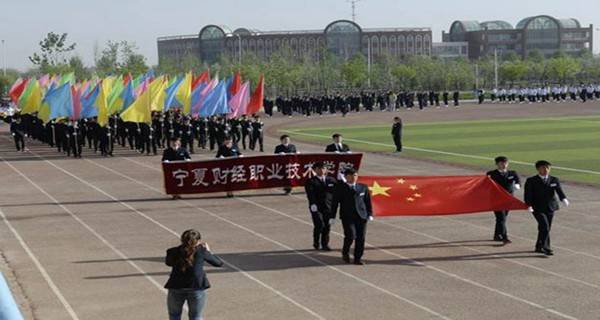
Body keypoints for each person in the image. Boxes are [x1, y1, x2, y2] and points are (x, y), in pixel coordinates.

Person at [165, 229, 223, 320]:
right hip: (196, 287)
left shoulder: (172, 251)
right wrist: (208, 251)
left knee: (174, 315)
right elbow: (218, 263)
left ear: (182, 240)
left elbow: (168, 263)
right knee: (196, 316)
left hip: (176, 286)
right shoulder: (201, 251)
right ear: (198, 241)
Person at [524, 160, 569, 256]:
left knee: (545, 228)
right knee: (545, 226)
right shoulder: (531, 181)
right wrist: (528, 205)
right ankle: (545, 247)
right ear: (538, 169)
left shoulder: (554, 179)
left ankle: (539, 246)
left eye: (548, 168)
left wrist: (563, 198)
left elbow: (559, 190)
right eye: (543, 168)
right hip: (537, 208)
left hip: (550, 207)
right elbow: (528, 194)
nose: (546, 170)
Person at [331, 168, 373, 265]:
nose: (353, 178)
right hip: (347, 216)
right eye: (350, 176)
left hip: (361, 216)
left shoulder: (363, 187)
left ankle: (357, 258)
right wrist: (332, 217)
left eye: (355, 175)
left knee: (361, 237)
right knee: (350, 236)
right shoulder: (340, 188)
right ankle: (345, 252)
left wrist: (370, 213)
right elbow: (335, 203)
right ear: (346, 177)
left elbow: (367, 202)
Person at [486, 156, 521, 244]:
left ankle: (497, 235)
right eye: (501, 163)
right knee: (501, 218)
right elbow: (485, 184)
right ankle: (504, 237)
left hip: (508, 199)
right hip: (496, 199)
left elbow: (518, 182)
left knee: (502, 218)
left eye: (505, 163)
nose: (504, 165)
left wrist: (518, 185)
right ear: (497, 164)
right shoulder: (491, 174)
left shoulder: (512, 173)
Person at [304, 162, 336, 251]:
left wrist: (343, 181)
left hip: (328, 206)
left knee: (327, 226)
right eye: (319, 169)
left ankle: (325, 244)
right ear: (315, 170)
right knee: (319, 224)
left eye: (323, 168)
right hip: (317, 207)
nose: (322, 170)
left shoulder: (331, 180)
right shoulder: (311, 181)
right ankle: (316, 242)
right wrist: (313, 203)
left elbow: (337, 192)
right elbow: (310, 194)